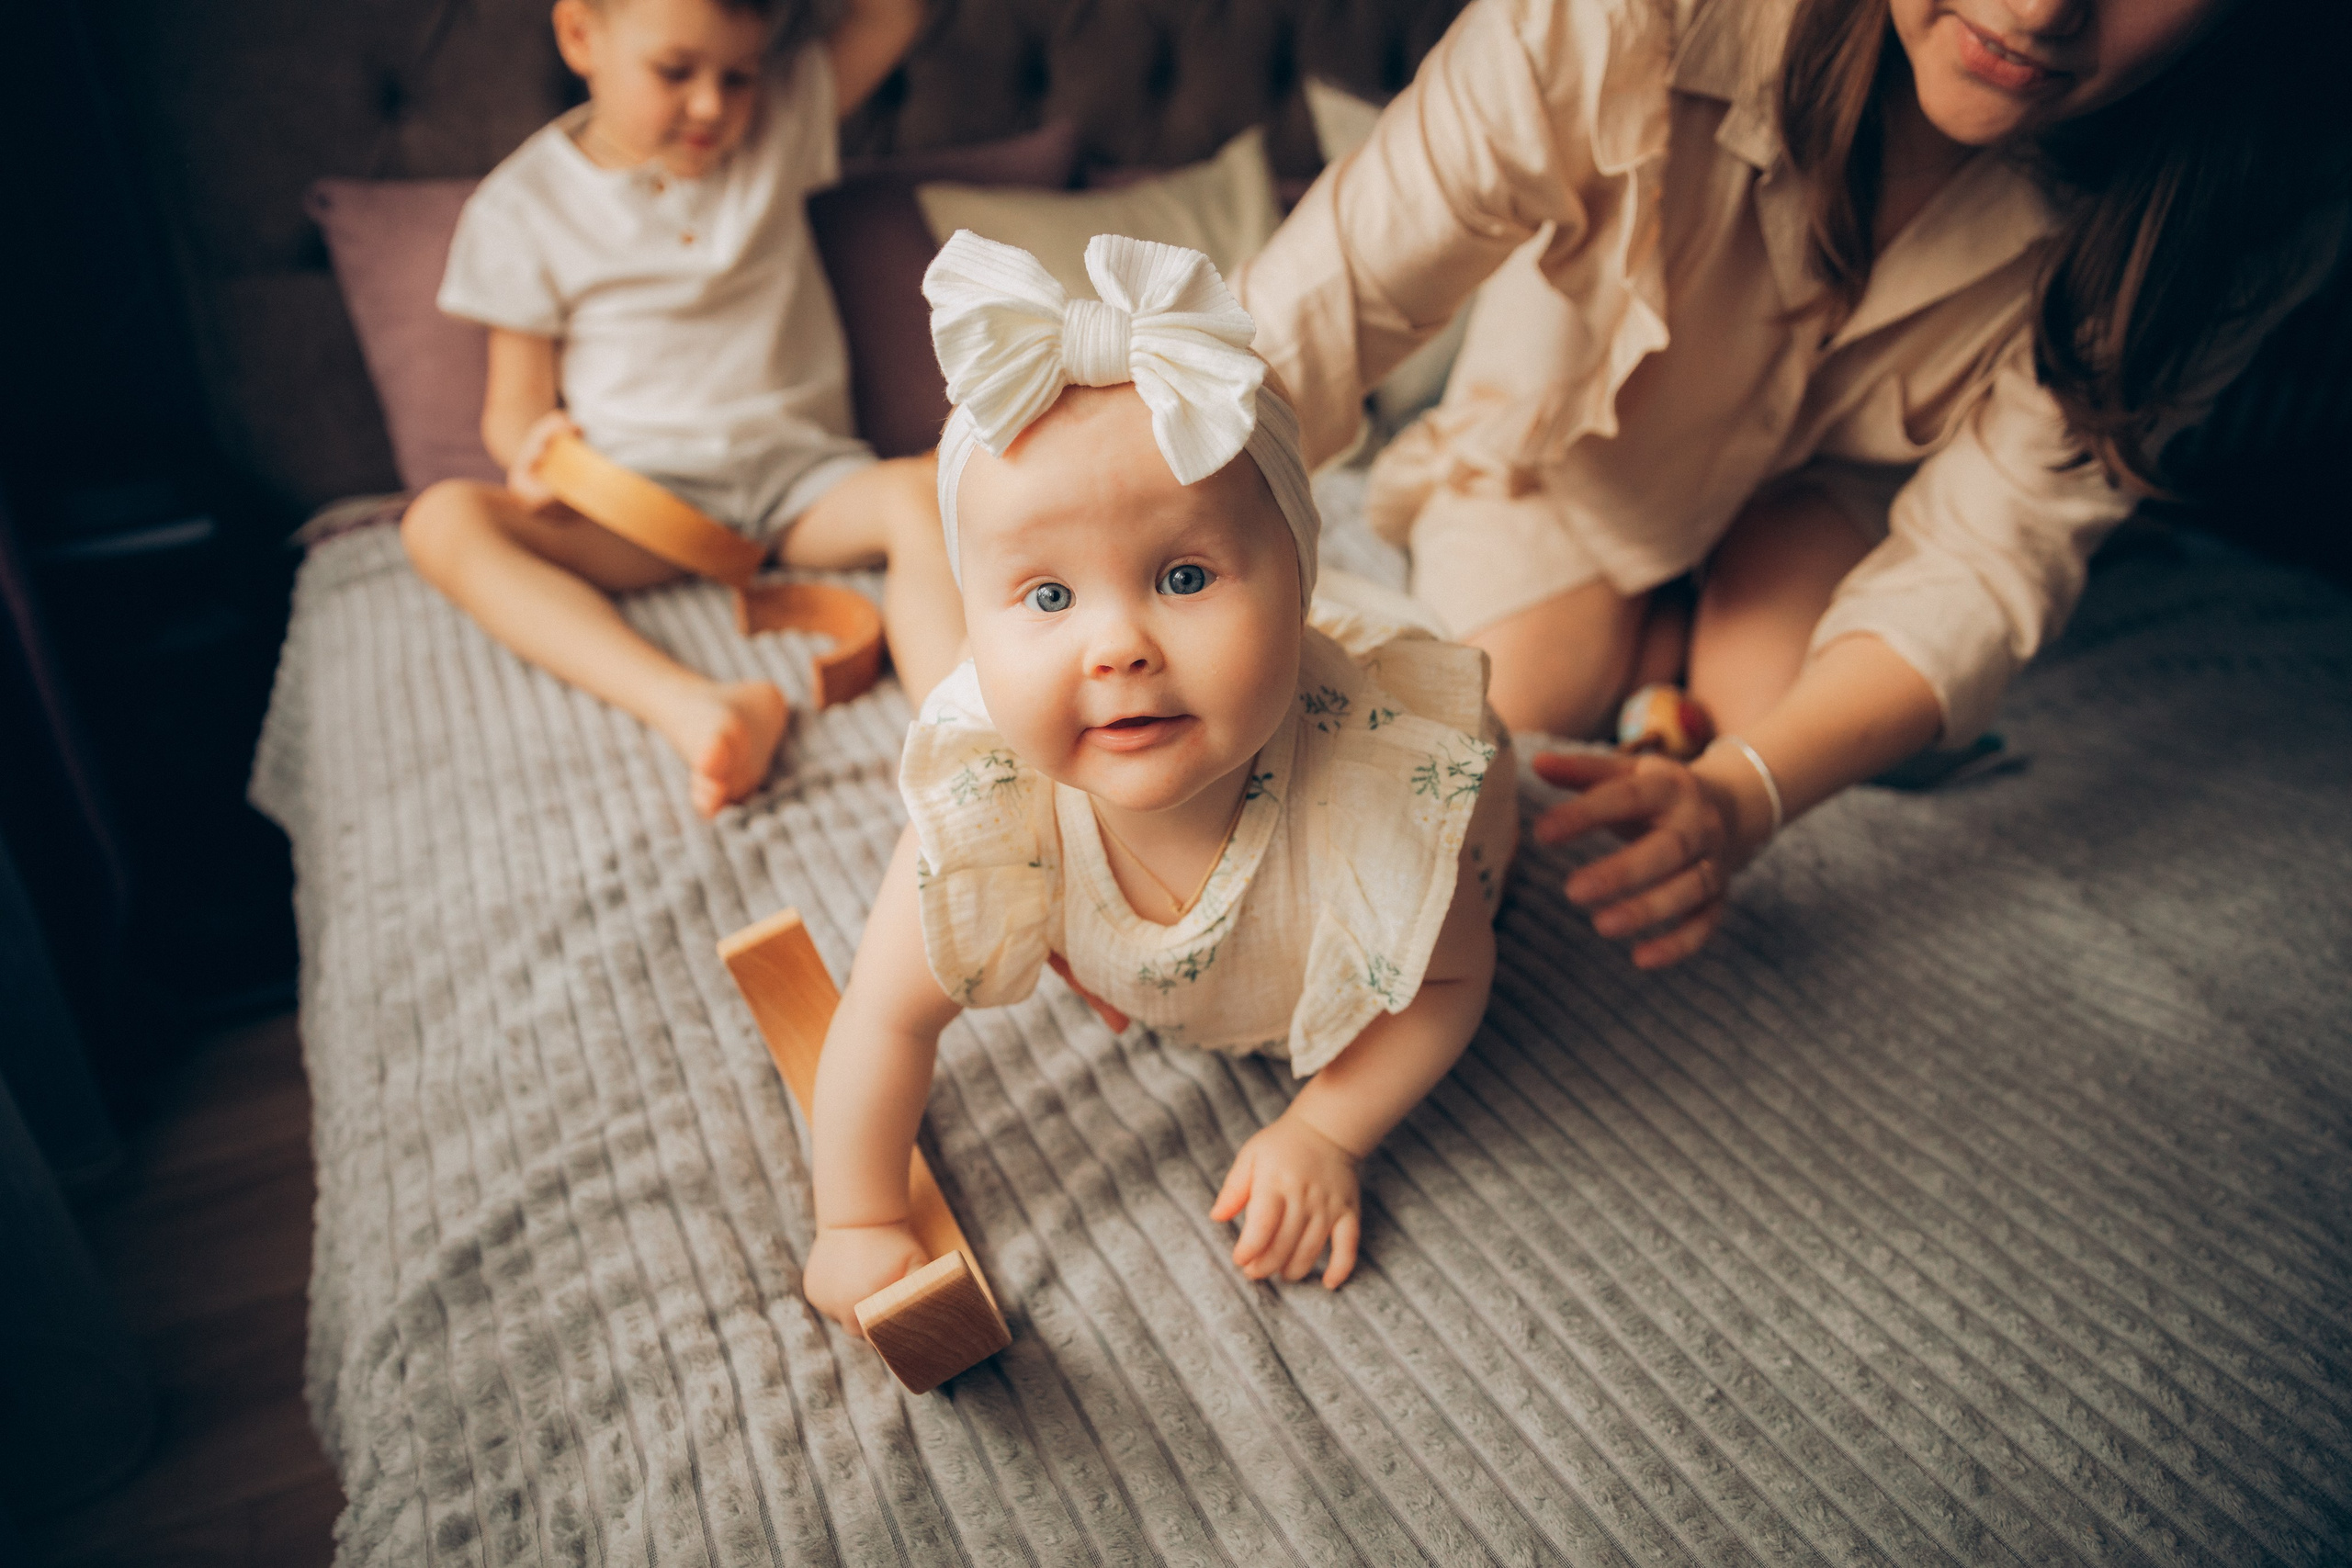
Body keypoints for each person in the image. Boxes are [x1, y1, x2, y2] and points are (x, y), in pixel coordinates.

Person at [1235, 0, 2346, 967]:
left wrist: (1737, 797)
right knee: (1498, 722)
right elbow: (1301, 324)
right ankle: (1650, 661)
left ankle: (1688, 667)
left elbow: (1990, 553)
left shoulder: (2255, 199)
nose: (2040, 9)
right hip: (1572, 457)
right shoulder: (1631, 13)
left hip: (1839, 489)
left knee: (1778, 719)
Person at [799, 232, 1520, 1326]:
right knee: (945, 776)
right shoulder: (993, 792)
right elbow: (884, 1023)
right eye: (1045, 598)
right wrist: (857, 1221)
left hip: (1444, 830)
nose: (1117, 647)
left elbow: (1447, 990)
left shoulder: (1376, 787)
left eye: (1184, 576)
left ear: (1298, 578)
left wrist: (1324, 1130)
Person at [401, 0, 963, 818]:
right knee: (441, 520)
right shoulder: (519, 209)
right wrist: (534, 448)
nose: (711, 105)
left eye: (738, 75)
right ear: (580, 36)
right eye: (674, 72)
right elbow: (512, 410)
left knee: (924, 489)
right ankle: (691, 704)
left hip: (805, 480)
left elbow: (896, 16)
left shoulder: (780, 119)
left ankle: (964, 743)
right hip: (648, 503)